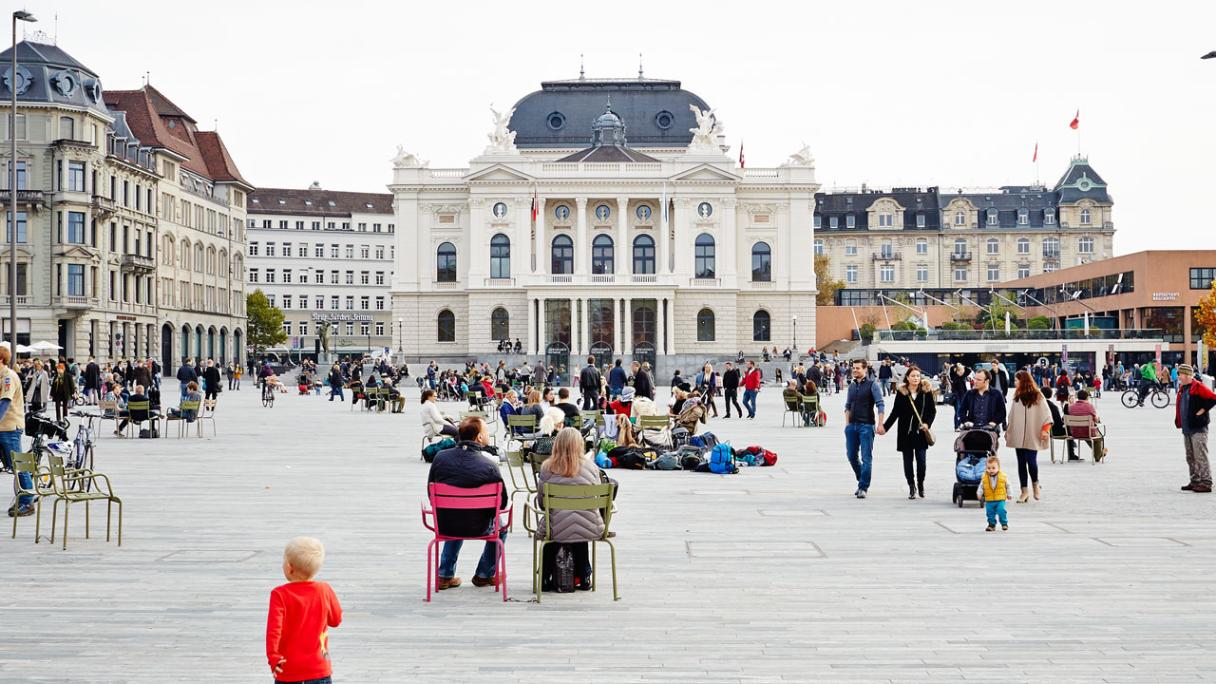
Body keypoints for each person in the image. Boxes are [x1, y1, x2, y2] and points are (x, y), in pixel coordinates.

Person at [428, 417, 508, 590]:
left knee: (455, 515)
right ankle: (484, 575)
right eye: (486, 432)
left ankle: (444, 575)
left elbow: (430, 493)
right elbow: (501, 504)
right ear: (479, 438)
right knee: (500, 527)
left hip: (445, 524)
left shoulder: (440, 458)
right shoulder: (489, 465)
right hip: (479, 526)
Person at [265, 536, 343, 684]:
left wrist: (273, 656)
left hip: (288, 670)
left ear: (289, 567)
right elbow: (336, 620)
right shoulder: (324, 590)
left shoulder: (279, 594)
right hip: (319, 671)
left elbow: (274, 630)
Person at [537, 427, 606, 591]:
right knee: (578, 524)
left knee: (555, 525)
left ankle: (545, 576)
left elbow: (542, 502)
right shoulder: (592, 467)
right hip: (590, 527)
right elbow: (596, 499)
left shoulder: (547, 467)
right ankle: (584, 575)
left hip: (555, 527)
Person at [880, 366, 937, 500]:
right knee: (907, 461)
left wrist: (927, 424)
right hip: (905, 432)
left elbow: (932, 411)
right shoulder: (902, 392)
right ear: (907, 378)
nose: (916, 378)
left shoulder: (926, 392)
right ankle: (911, 486)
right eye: (913, 376)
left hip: (920, 432)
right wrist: (885, 427)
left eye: (918, 376)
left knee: (921, 461)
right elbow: (896, 412)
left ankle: (921, 484)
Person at [1005, 370, 1052, 503]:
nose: (1014, 383)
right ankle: (1024, 491)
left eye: (1016, 380)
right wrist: (1008, 431)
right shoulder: (1017, 397)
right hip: (1019, 434)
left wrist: (1045, 430)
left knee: (1031, 461)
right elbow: (1012, 416)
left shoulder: (1038, 396)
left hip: (1033, 434)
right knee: (1021, 463)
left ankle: (1035, 484)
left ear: (1023, 381)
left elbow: (1047, 415)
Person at [844, 359, 885, 499]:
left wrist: (880, 424)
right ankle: (862, 479)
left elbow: (880, 404)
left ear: (865, 369)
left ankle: (863, 487)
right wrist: (847, 425)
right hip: (852, 426)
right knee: (851, 456)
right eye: (853, 368)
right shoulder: (851, 386)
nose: (855, 370)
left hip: (866, 426)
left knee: (866, 458)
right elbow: (847, 406)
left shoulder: (872, 385)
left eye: (857, 368)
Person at [0, 346, 31, 517]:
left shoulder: (8, 377)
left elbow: (5, 402)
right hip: (2, 428)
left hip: (9, 428)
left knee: (18, 466)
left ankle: (27, 502)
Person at [1175, 364, 1216, 493]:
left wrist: (1202, 411)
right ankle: (1195, 480)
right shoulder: (1183, 388)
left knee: (1200, 456)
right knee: (1190, 456)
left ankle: (1206, 482)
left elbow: (1212, 398)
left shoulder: (1197, 386)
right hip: (1187, 428)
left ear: (1187, 375)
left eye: (1180, 374)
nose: (1178, 377)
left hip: (1198, 427)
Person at [959, 369, 1007, 434]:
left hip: (990, 430)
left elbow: (1002, 412)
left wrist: (994, 422)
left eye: (978, 380)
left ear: (987, 381)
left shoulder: (996, 394)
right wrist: (965, 421)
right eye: (974, 378)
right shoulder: (969, 394)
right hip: (972, 430)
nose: (975, 381)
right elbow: (962, 410)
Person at [1067, 389, 1106, 462]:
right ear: (1087, 397)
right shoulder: (1089, 406)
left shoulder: (1071, 407)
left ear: (1077, 397)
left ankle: (1099, 453)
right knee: (1098, 438)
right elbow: (1095, 420)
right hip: (1088, 432)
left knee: (1085, 432)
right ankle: (1098, 455)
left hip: (1074, 432)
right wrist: (1098, 419)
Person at [980, 455, 1012, 531]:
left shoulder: (1003, 477)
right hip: (989, 499)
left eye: (993, 468)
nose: (991, 470)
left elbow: (1008, 485)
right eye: (988, 468)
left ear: (998, 468)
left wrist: (1009, 494)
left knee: (1001, 510)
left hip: (1000, 499)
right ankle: (991, 525)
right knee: (989, 513)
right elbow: (981, 486)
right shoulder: (984, 477)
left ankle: (1004, 523)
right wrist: (979, 493)